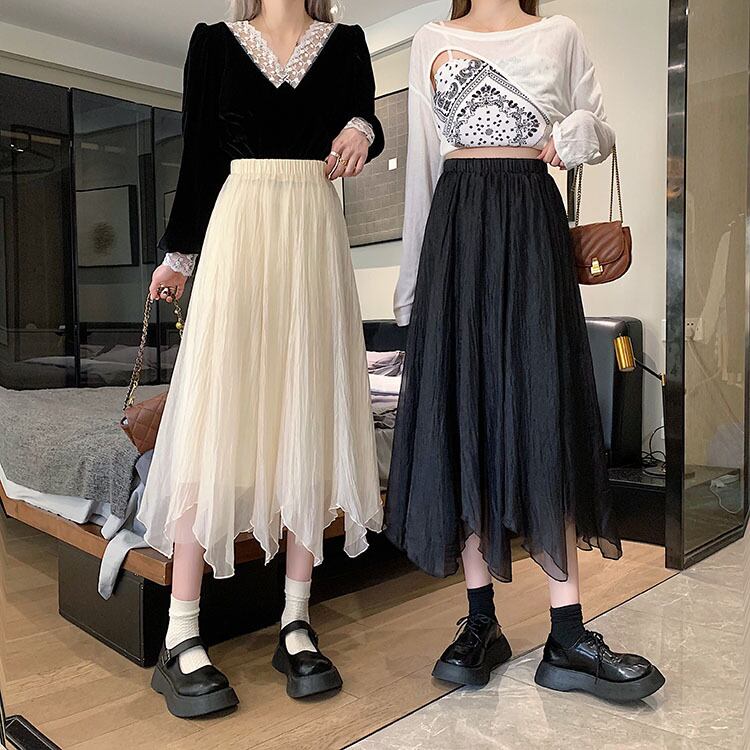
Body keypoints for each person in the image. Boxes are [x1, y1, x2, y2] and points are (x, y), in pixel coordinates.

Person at [385, 0, 665, 702]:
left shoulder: (559, 34)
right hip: (457, 228)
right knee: (466, 415)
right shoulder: (430, 39)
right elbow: (422, 168)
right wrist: (412, 293)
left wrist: (574, 134)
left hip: (533, 224)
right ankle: (481, 621)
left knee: (547, 411)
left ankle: (567, 633)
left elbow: (600, 129)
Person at [138, 0, 385, 718]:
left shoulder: (347, 43)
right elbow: (198, 155)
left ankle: (296, 621)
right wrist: (179, 256)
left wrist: (361, 128)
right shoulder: (214, 43)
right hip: (239, 230)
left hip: (313, 232)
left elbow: (365, 119)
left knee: (307, 415)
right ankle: (181, 634)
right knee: (216, 417)